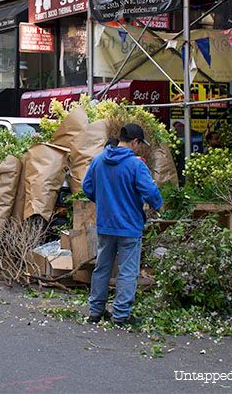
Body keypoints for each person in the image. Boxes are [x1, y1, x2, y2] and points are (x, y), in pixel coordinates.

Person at [82, 123, 163, 327]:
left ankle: (96, 311)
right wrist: (159, 205)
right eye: (139, 144)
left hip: (106, 223)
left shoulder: (99, 160)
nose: (139, 148)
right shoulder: (136, 165)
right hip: (129, 225)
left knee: (102, 268)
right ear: (134, 141)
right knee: (127, 271)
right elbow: (150, 192)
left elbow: (87, 187)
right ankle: (121, 315)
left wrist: (103, 199)